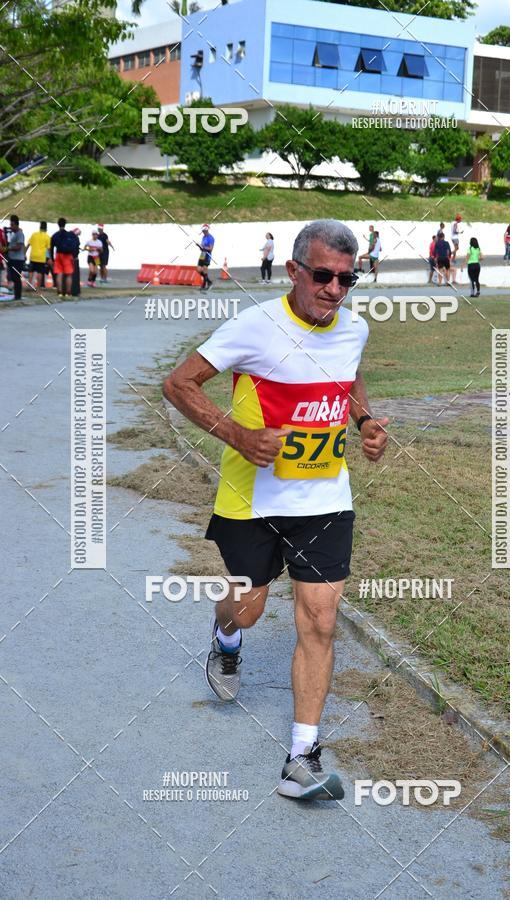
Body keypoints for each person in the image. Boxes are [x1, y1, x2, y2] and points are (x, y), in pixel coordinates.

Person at [163, 219, 388, 802]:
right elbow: (179, 384)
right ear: (293, 271)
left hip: (325, 500)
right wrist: (237, 435)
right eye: (323, 276)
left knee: (320, 620)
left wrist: (364, 421)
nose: (335, 289)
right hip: (253, 501)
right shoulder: (255, 326)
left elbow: (348, 373)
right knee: (249, 610)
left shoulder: (353, 327)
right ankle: (225, 637)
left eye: (347, 279)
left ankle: (301, 757)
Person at [51, 218, 77, 298]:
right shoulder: (70, 235)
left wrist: (52, 258)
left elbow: (51, 248)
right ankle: (68, 293)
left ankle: (59, 292)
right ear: (65, 224)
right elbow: (75, 245)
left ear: (58, 224)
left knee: (59, 274)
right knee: (68, 275)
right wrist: (74, 255)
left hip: (58, 254)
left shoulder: (55, 235)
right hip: (68, 255)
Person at [26, 221, 51, 292]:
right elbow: (49, 249)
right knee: (40, 272)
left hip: (33, 256)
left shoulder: (34, 234)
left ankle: (29, 286)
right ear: (46, 228)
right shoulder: (47, 236)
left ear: (40, 227)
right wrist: (50, 258)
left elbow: (28, 244)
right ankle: (38, 287)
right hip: (41, 257)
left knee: (31, 271)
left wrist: (24, 253)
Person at [6, 215, 26, 301]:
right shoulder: (15, 234)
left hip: (18, 260)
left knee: (16, 278)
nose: (11, 227)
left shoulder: (20, 234)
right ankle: (16, 295)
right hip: (13, 259)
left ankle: (18, 296)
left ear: (17, 225)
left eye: (12, 225)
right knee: (14, 278)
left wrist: (8, 248)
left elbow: (19, 247)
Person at [196, 224, 215, 290]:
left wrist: (203, 247)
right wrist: (199, 246)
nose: (203, 232)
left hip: (207, 255)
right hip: (202, 254)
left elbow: (210, 249)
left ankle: (204, 284)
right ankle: (209, 282)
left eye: (204, 231)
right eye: (203, 231)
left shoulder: (211, 238)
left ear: (207, 230)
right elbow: (202, 248)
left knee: (204, 269)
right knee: (198, 269)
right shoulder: (203, 237)